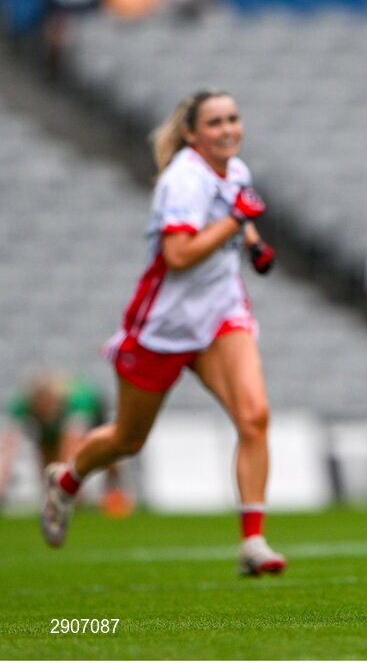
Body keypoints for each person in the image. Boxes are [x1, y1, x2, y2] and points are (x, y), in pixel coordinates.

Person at [39, 89, 286, 576]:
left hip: (219, 315)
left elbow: (239, 214)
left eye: (233, 118)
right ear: (192, 133)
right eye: (214, 122)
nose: (227, 129)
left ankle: (253, 542)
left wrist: (254, 243)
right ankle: (66, 480)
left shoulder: (235, 170)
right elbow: (178, 255)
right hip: (164, 324)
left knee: (254, 417)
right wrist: (240, 219)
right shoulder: (183, 180)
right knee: (129, 440)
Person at [0, 372, 131, 517]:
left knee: (107, 454)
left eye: (47, 404)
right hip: (55, 428)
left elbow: (70, 447)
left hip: (93, 419)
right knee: (48, 460)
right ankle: (55, 500)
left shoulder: (77, 401)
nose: (44, 409)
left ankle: (114, 492)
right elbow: (8, 448)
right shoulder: (21, 405)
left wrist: (66, 486)